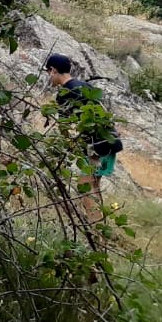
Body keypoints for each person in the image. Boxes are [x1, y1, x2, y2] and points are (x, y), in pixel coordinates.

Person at [44, 53, 120, 218]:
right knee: (94, 185)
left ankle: (95, 228)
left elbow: (64, 128)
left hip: (97, 144)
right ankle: (102, 226)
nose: (49, 78)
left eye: (48, 72)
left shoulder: (64, 93)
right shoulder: (86, 86)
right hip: (111, 141)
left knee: (85, 187)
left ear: (53, 70)